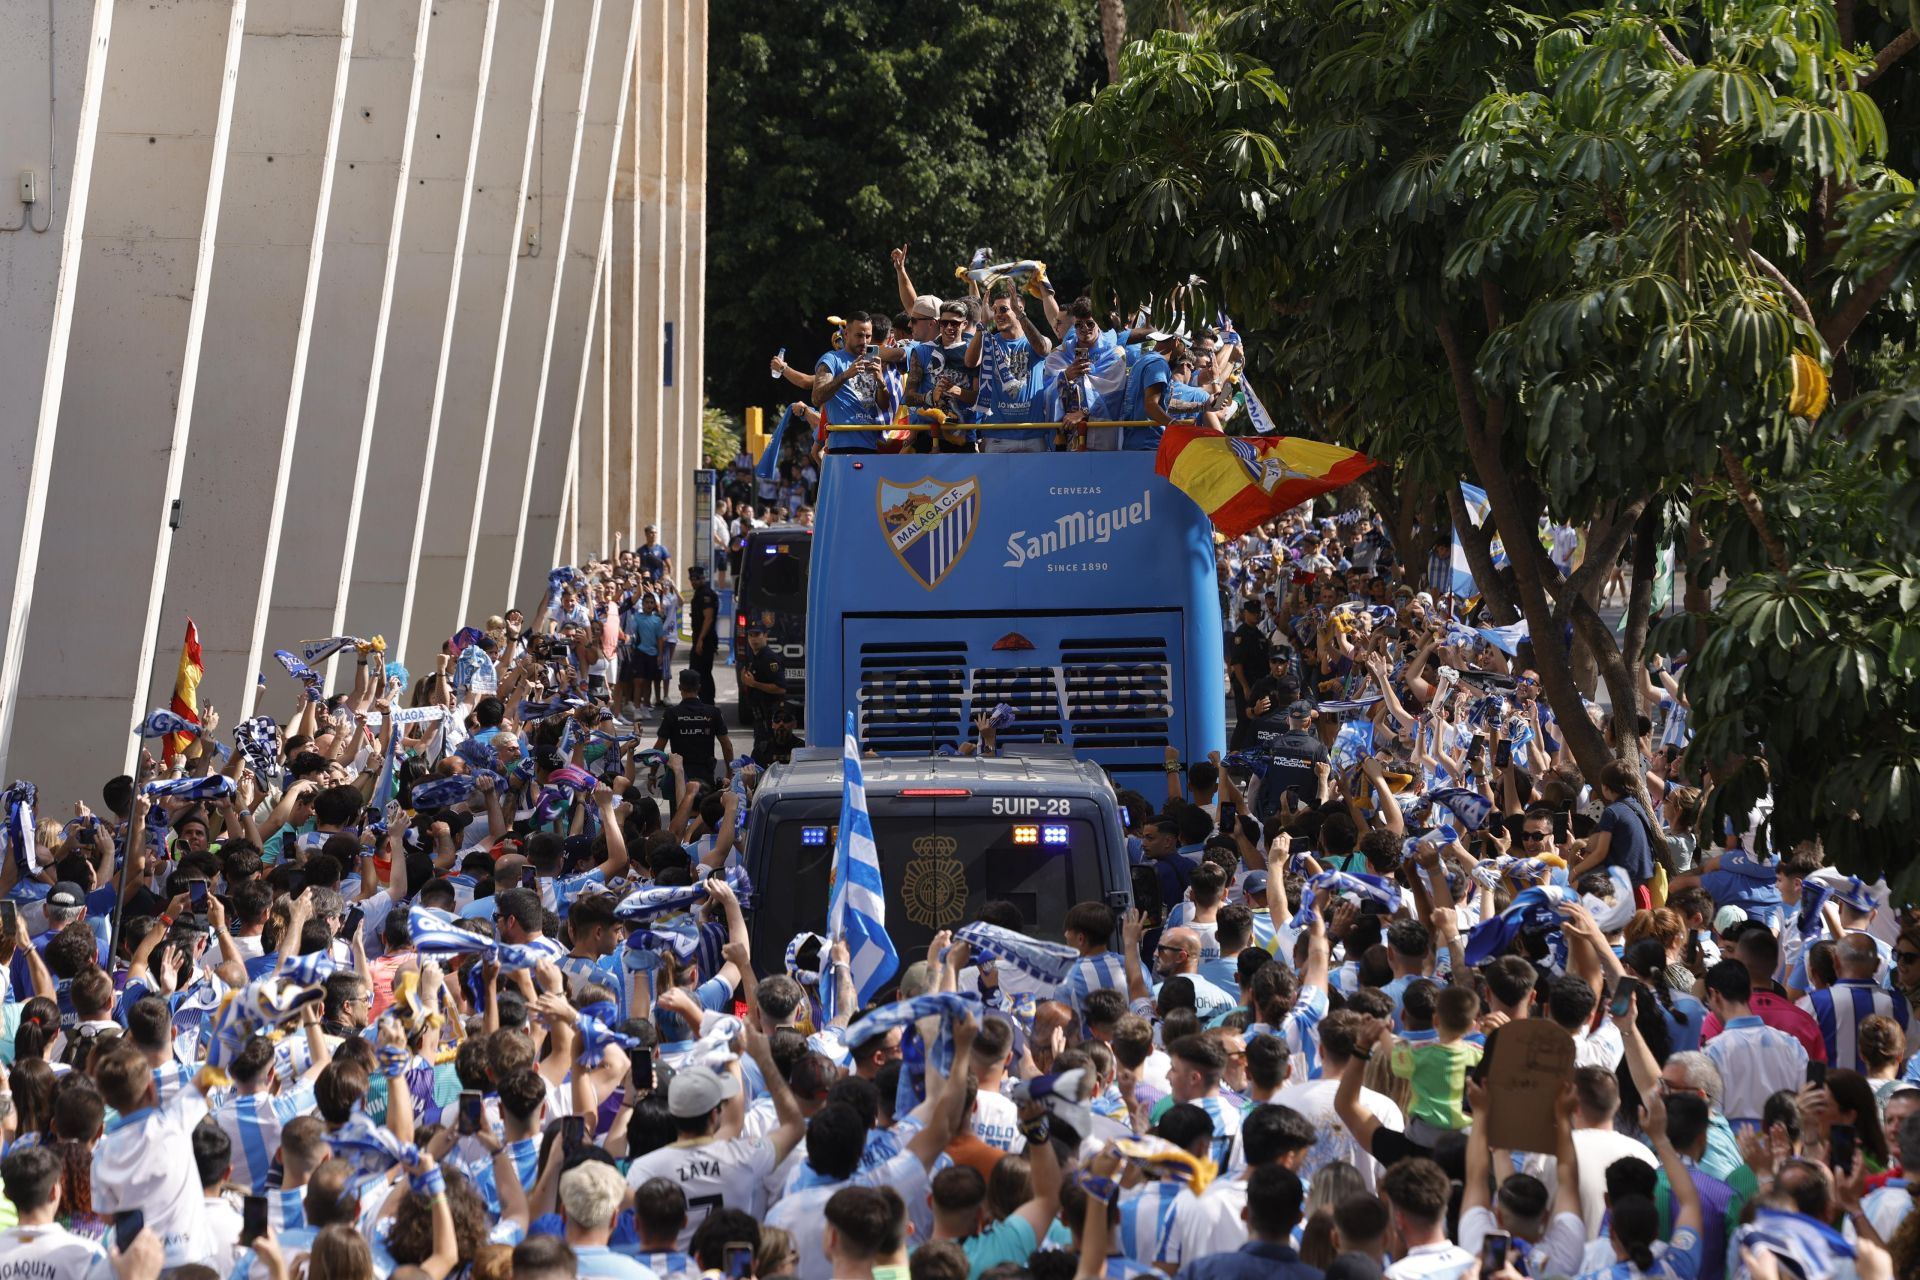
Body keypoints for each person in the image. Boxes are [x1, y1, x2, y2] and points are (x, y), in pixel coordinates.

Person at [654, 669, 734, 791]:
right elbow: (727, 745)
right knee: (704, 808)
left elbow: (659, 748)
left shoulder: (672, 714)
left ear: (680, 687)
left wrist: (652, 774)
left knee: (680, 808)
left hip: (679, 776)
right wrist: (729, 772)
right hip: (705, 776)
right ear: (699, 688)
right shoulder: (713, 712)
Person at [685, 565, 721, 704]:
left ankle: (707, 702)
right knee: (698, 672)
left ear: (703, 578)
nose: (694, 581)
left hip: (705, 640)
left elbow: (708, 618)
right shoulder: (699, 593)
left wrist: (700, 640)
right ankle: (702, 702)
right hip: (700, 639)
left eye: (697, 578)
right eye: (692, 579)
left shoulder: (706, 594)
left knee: (701, 673)